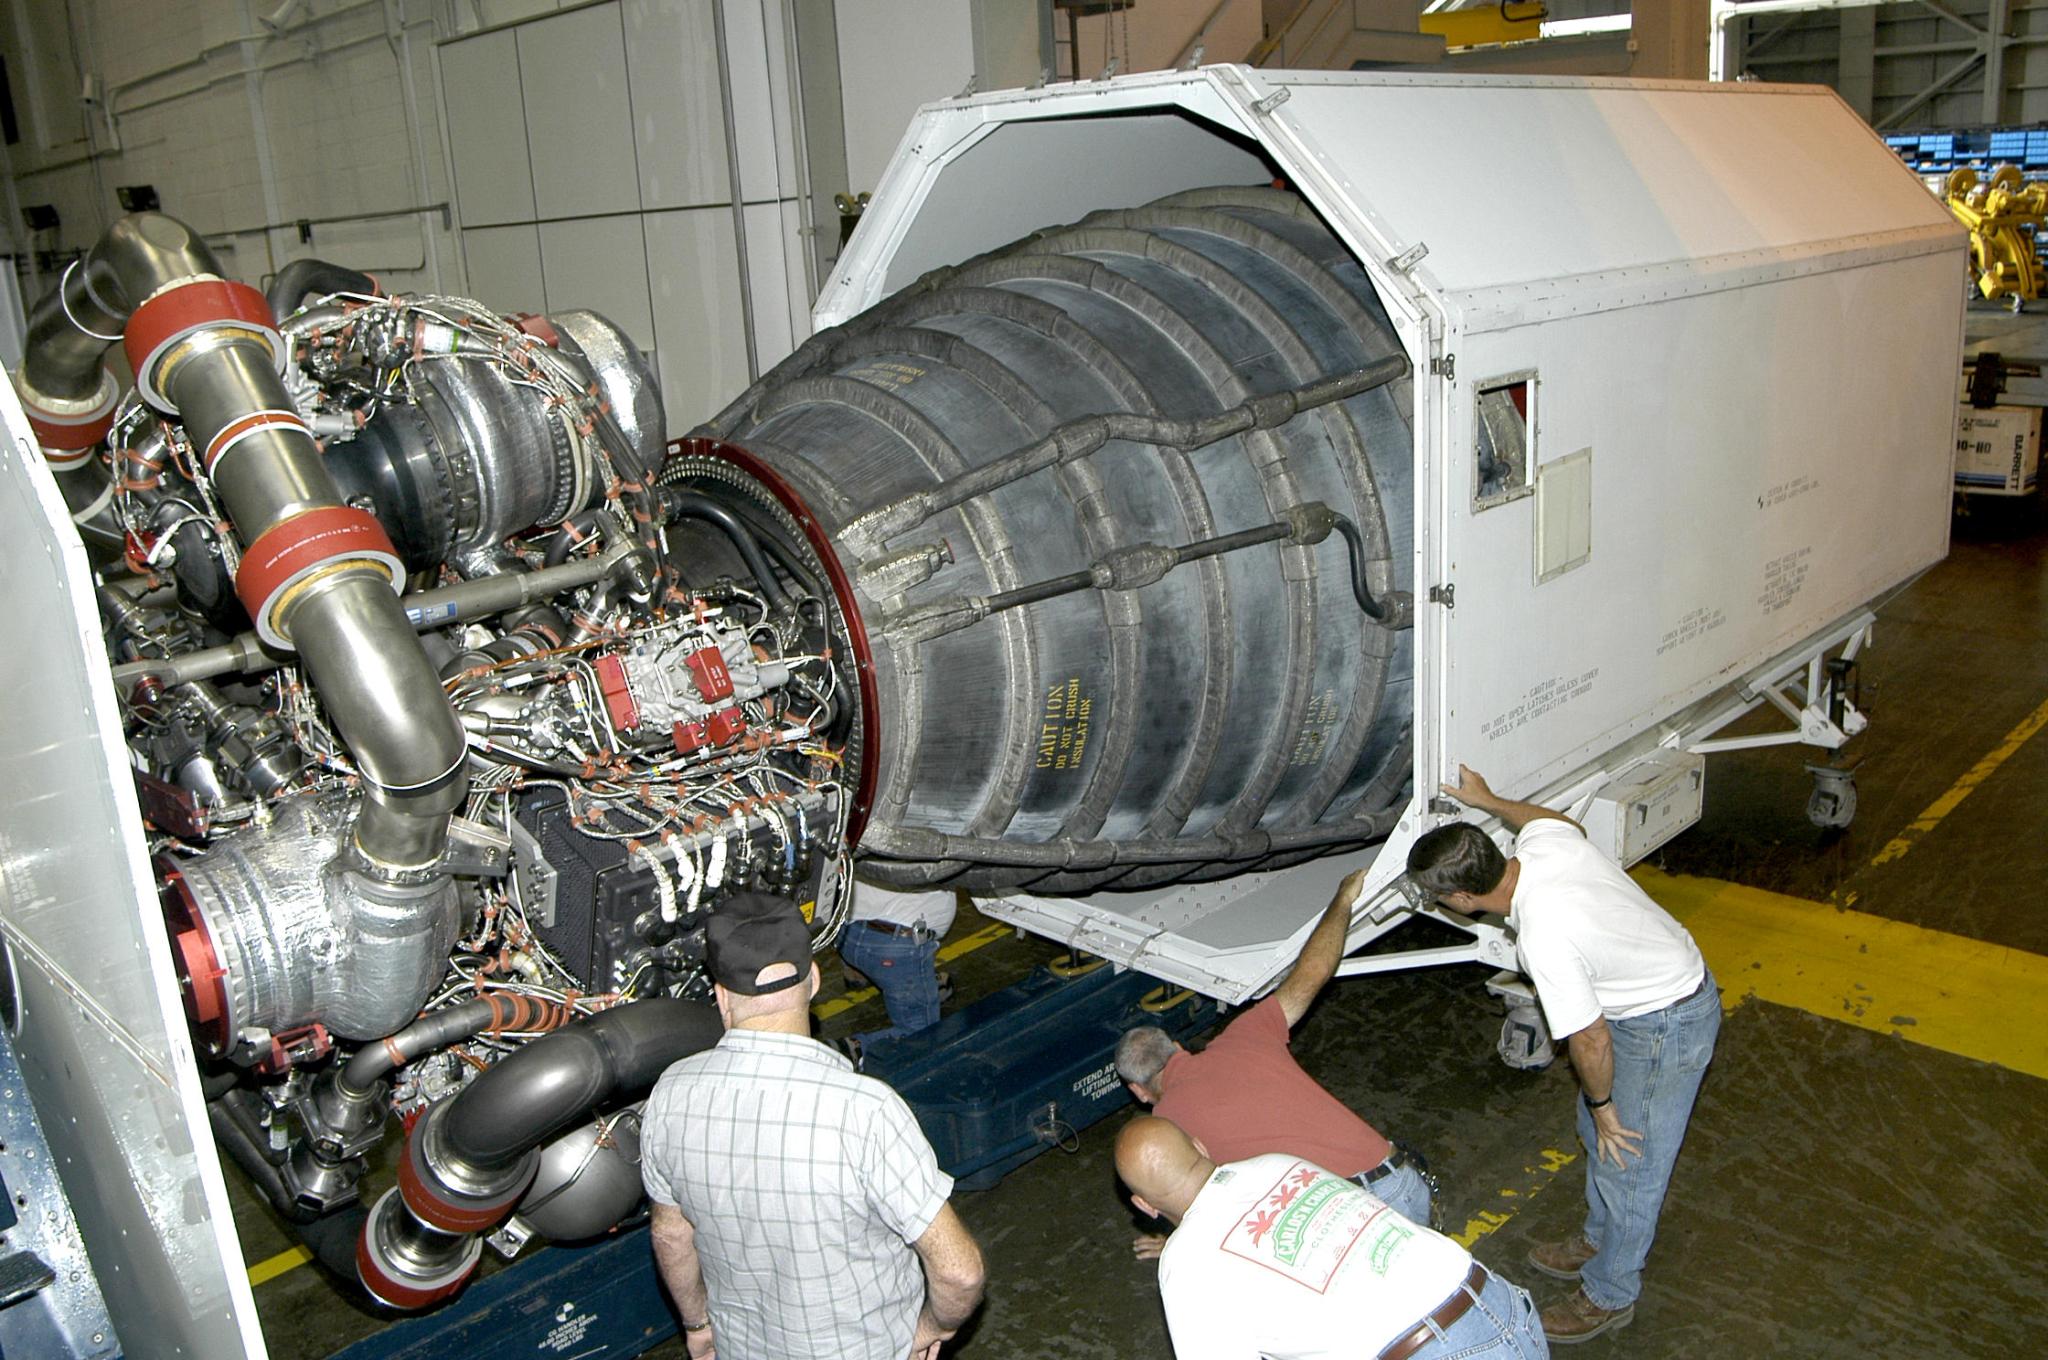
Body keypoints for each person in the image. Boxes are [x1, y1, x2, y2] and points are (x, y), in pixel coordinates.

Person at [1407, 766, 1720, 1346]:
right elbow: (1560, 821)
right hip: (1649, 996)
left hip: (1664, 1020)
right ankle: (1602, 1236)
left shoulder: (1544, 935)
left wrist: (1604, 1104)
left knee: (1628, 1157)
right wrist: (1492, 799)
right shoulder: (1539, 848)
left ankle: (1610, 1293)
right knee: (1597, 1131)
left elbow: (1589, 1040)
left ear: (1463, 898)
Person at [641, 892, 986, 1360]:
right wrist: (928, 1328)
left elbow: (671, 1234)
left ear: (721, 997)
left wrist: (698, 1323)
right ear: (814, 981)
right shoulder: (865, 1111)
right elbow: (959, 1272)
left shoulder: (670, 1094)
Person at [1114, 867, 1434, 1252]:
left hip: (1348, 1220)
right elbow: (1313, 971)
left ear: (1137, 1090)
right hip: (1401, 1184)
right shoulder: (1247, 1034)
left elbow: (1218, 1212)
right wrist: (1343, 899)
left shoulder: (1169, 1134)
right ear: (1178, 1048)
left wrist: (1173, 1248)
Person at [1115, 1115, 1547, 1360]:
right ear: (1200, 1146)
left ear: (1144, 1205)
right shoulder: (1276, 1164)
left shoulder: (1185, 1265)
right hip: (1505, 1307)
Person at [837, 878, 957, 1061]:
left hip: (846, 934)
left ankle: (860, 973)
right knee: (922, 1034)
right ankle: (854, 1049)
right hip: (895, 951)